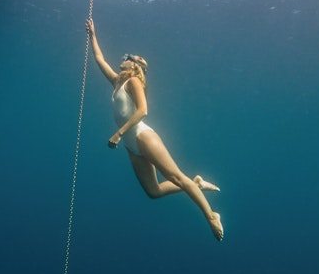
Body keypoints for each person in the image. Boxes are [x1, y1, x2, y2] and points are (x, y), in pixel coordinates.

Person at [85, 18, 224, 242]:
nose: (124, 58)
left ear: (135, 66)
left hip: (141, 135)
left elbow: (143, 111)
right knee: (154, 191)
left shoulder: (134, 82)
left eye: (129, 58)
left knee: (177, 177)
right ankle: (196, 183)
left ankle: (211, 216)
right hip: (132, 145)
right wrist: (92, 35)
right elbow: (100, 59)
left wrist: (119, 133)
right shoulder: (118, 82)